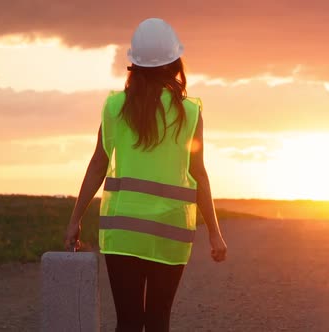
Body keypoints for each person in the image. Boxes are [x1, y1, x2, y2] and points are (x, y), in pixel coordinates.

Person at [64, 18, 227, 332]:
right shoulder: (189, 112)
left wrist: (74, 221)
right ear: (174, 64)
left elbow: (98, 164)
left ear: (133, 64)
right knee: (157, 321)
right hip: (171, 231)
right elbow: (199, 174)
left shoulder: (114, 108)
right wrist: (215, 233)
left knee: (127, 321)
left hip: (123, 232)